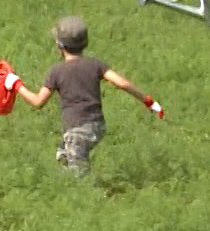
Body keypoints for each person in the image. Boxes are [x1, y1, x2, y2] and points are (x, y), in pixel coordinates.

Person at [15, 17, 163, 177]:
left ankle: (85, 195)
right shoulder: (95, 65)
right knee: (63, 157)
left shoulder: (56, 72)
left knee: (78, 176)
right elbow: (122, 83)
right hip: (96, 126)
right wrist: (148, 101)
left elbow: (38, 102)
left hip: (77, 131)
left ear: (59, 45)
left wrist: (16, 85)